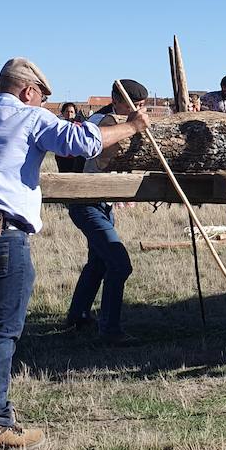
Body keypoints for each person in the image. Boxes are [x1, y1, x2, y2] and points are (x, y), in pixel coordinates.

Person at [0, 58, 147, 450]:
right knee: (1, 330)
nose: (43, 106)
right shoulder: (28, 117)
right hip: (2, 234)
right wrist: (133, 126)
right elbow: (83, 142)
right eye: (42, 98)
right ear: (29, 91)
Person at [65, 79, 148, 342]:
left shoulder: (121, 121)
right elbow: (104, 146)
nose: (139, 110)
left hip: (102, 204)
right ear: (117, 100)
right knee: (119, 264)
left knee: (99, 262)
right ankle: (110, 330)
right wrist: (134, 127)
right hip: (86, 202)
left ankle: (77, 316)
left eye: (143, 106)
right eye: (134, 105)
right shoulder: (104, 122)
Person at [53, 102, 87, 173]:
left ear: (75, 114)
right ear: (63, 113)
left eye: (71, 112)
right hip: (62, 157)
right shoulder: (59, 126)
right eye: (67, 111)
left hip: (77, 158)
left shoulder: (79, 126)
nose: (69, 114)